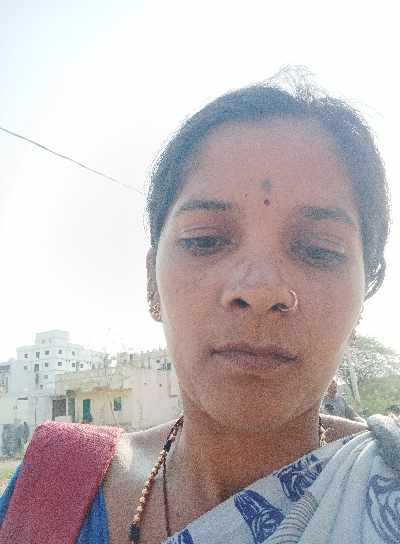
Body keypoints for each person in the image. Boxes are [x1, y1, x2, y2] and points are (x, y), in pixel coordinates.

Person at [1, 68, 398, 543]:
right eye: (206, 239)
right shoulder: (52, 488)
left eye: (318, 250)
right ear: (152, 281)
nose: (260, 290)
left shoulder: (385, 484)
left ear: (365, 293)